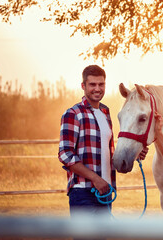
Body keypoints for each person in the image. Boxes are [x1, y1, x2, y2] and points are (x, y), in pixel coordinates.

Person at [58, 65, 148, 218]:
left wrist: (133, 154)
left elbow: (106, 155)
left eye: (101, 84)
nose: (97, 88)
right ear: (83, 86)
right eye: (92, 84)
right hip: (83, 192)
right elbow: (65, 154)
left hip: (106, 192)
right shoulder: (73, 114)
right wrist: (95, 179)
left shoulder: (105, 114)